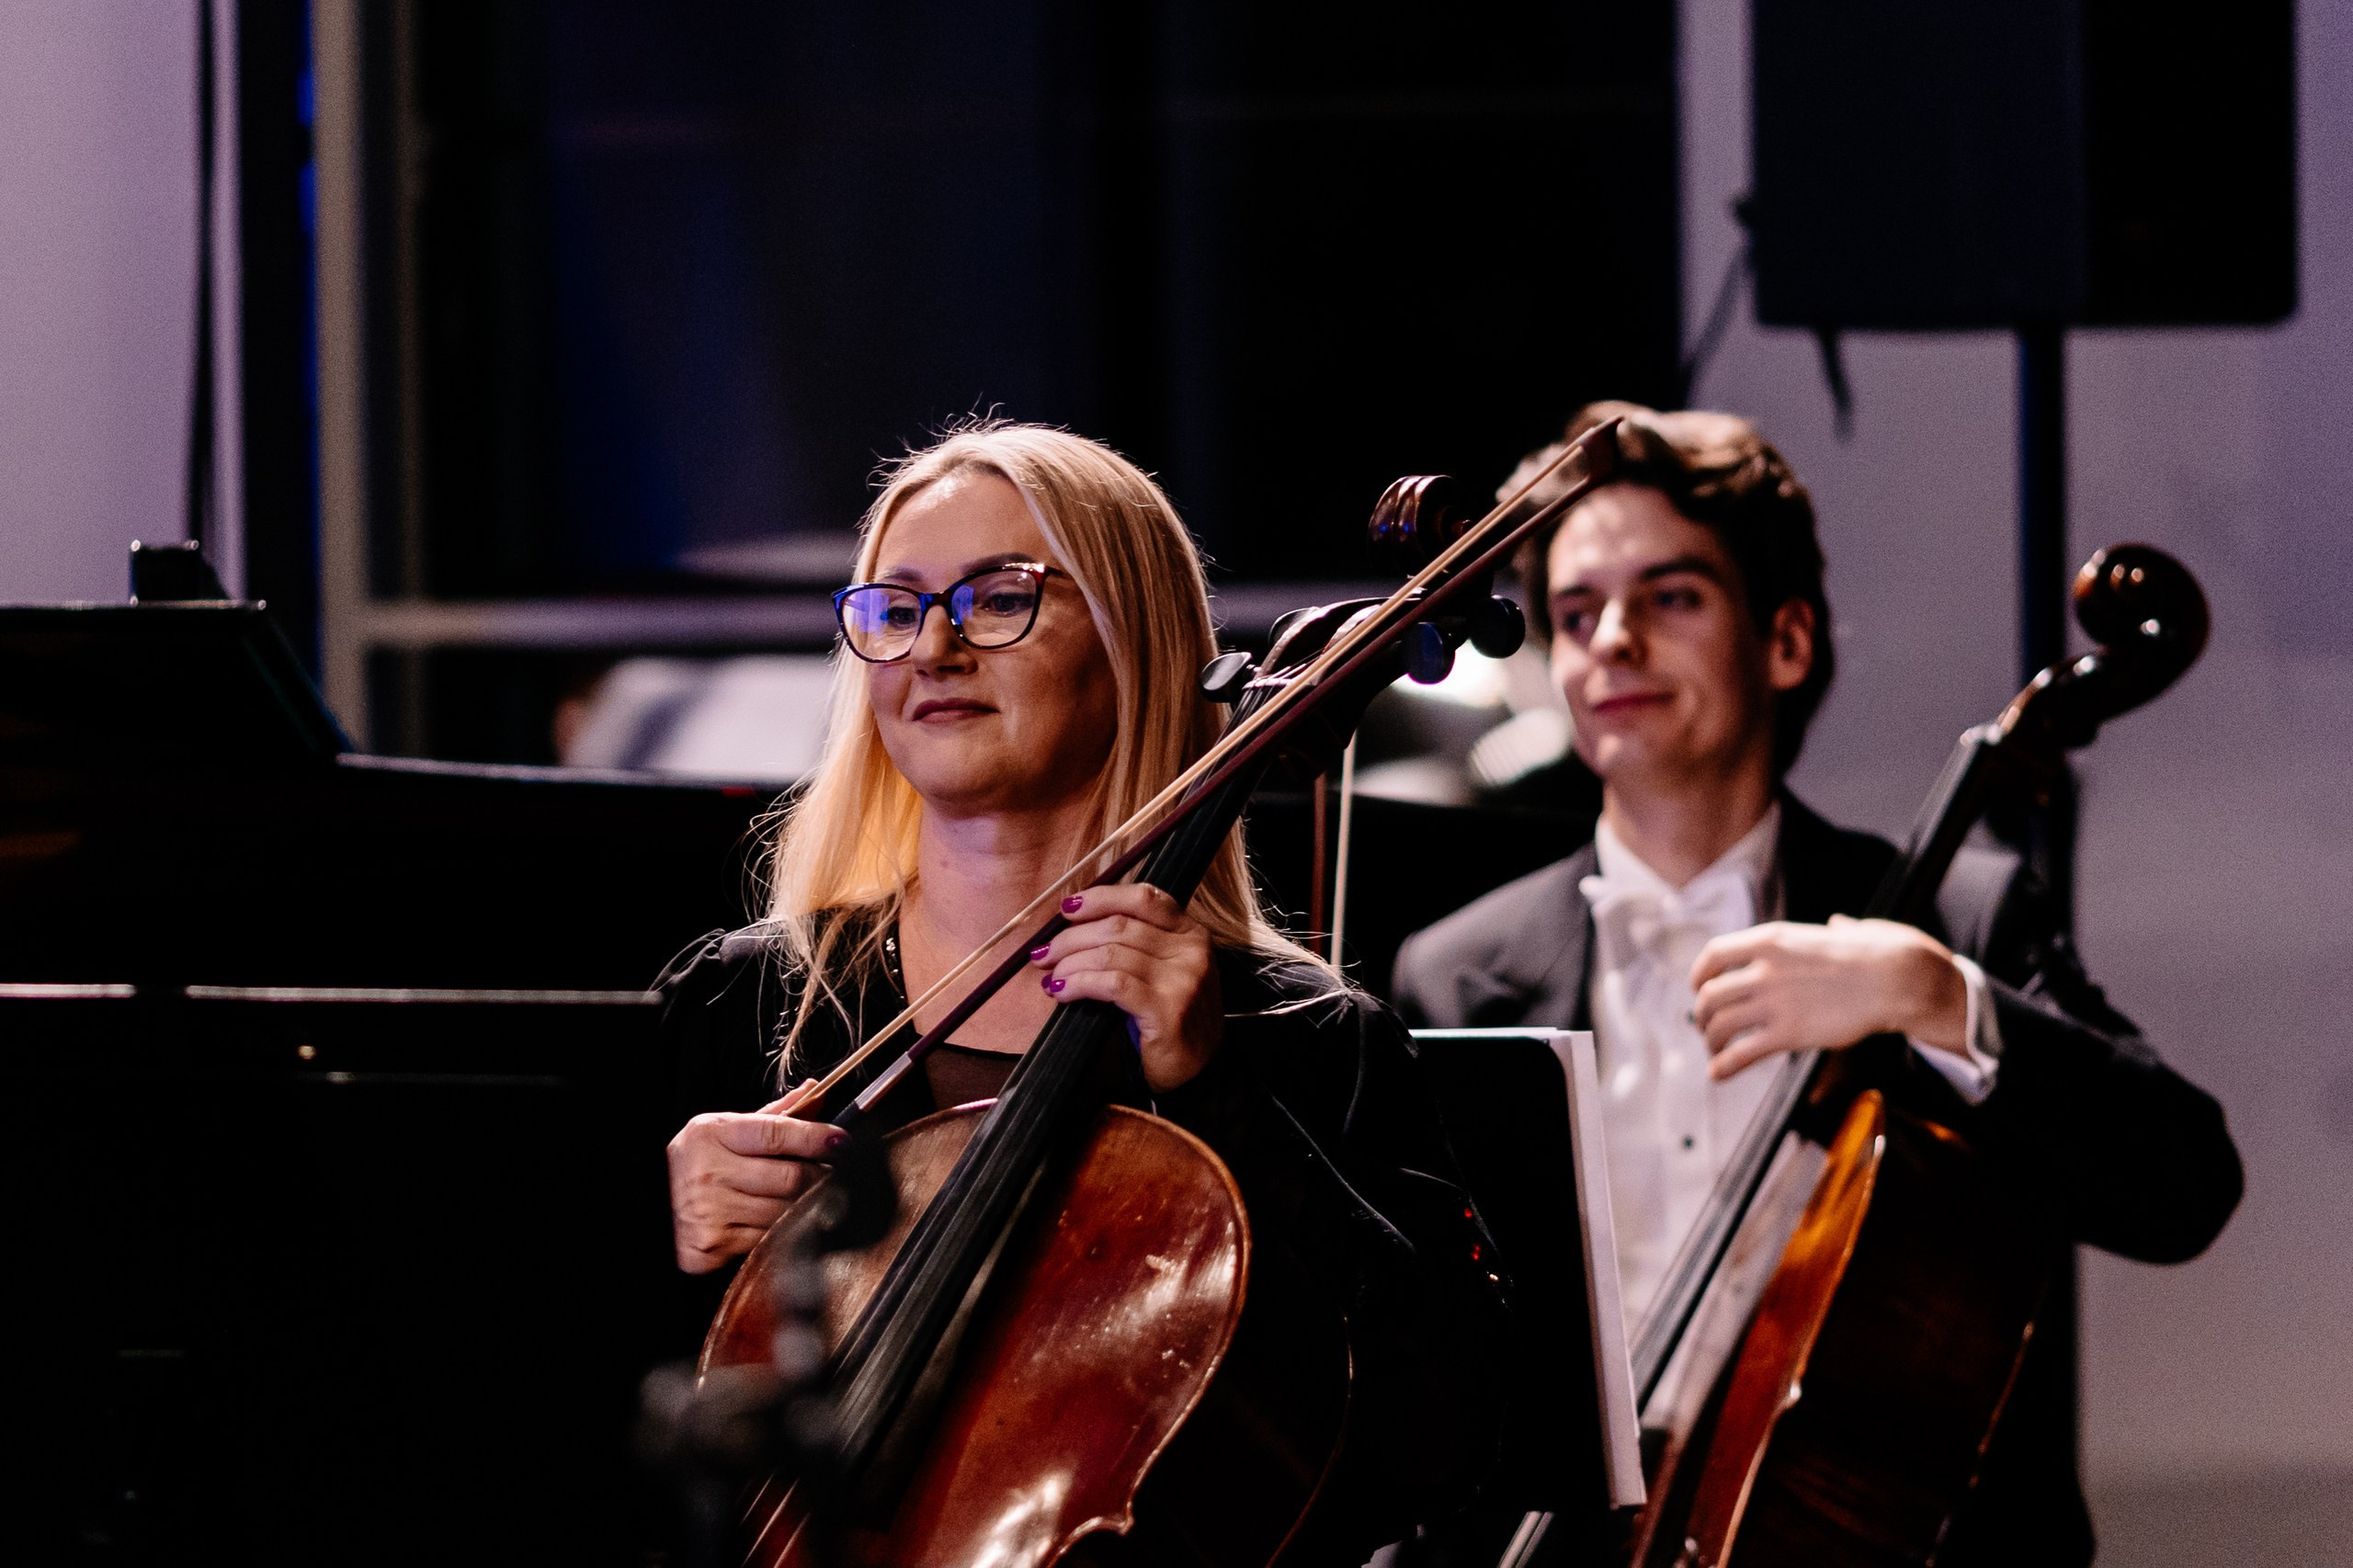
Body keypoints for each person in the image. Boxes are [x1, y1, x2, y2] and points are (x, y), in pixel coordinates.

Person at [1392, 403, 2242, 1565]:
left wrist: (1937, 996)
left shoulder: (1950, 920)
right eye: (1578, 613)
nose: (1613, 642)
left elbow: (2183, 1184)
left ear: (1785, 639)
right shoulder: (1453, 971)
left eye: (1670, 597)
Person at [658, 422, 1505, 1564]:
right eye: (897, 608)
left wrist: (1222, 1097)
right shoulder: (750, 1002)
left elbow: (1441, 1440)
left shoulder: (1299, 1038)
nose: (937, 649)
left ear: (1132, 643)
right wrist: (668, 1249)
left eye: (999, 598)